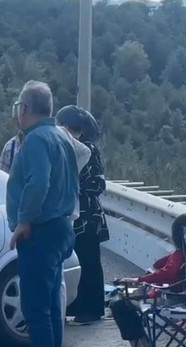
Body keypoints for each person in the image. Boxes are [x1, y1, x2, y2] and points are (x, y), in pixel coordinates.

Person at [6, 81, 79, 347]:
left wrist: (24, 221)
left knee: (37, 310)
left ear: (24, 108)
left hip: (41, 230)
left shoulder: (36, 140)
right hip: (60, 226)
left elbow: (38, 182)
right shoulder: (61, 136)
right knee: (50, 310)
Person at [110, 213, 186, 347]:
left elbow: (168, 272)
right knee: (127, 301)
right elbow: (164, 266)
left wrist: (140, 280)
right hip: (184, 296)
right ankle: (143, 346)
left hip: (170, 299)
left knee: (119, 303)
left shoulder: (179, 255)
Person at [56, 105, 110, 326]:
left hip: (87, 217)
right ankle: (81, 307)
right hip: (84, 215)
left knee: (88, 262)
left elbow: (94, 182)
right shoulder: (80, 146)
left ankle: (91, 309)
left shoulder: (84, 149)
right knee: (83, 261)